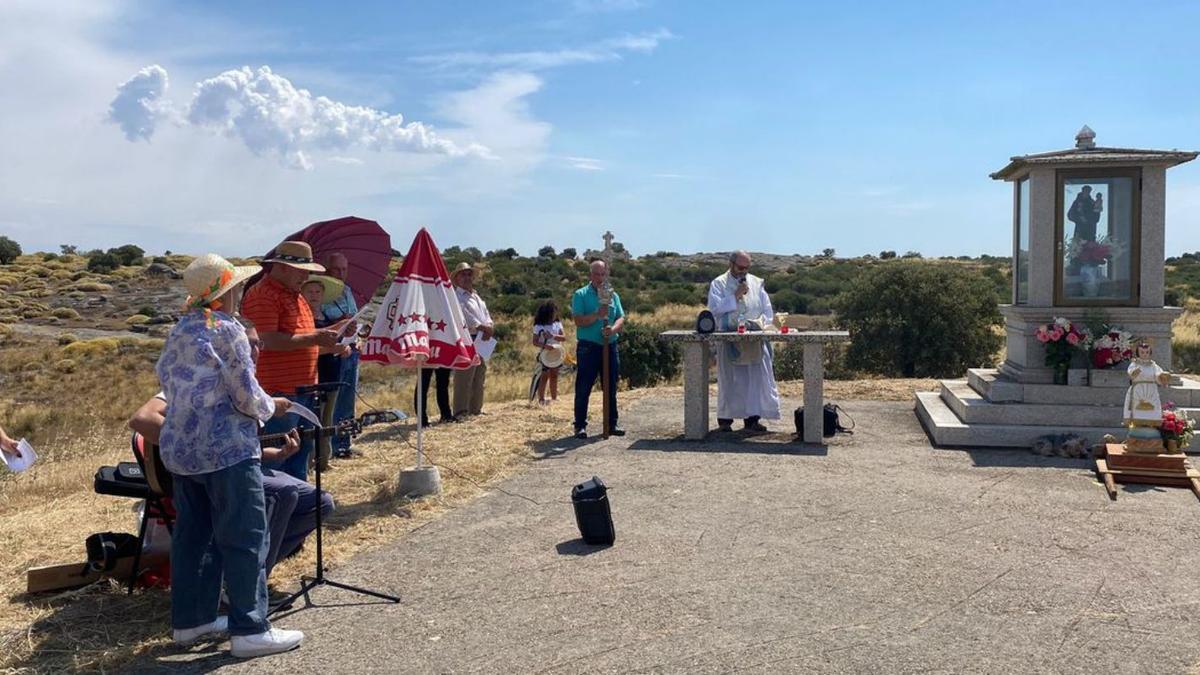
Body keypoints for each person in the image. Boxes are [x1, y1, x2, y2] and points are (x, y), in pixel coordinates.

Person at [155, 253, 303, 658]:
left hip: (182, 450)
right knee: (245, 535)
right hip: (226, 451)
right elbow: (244, 394)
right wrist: (272, 406)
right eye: (238, 286)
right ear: (228, 290)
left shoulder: (181, 330)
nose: (242, 291)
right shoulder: (228, 330)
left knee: (193, 538)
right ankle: (250, 628)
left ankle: (191, 620)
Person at [130, 325, 335, 587]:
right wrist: (204, 448)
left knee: (320, 502)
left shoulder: (248, 389)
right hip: (208, 476)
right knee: (282, 493)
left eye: (258, 344)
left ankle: (244, 570)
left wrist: (278, 453)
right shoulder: (199, 383)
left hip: (242, 469)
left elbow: (243, 448)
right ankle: (246, 586)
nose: (253, 350)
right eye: (246, 343)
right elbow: (142, 419)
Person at [241, 241, 347, 481]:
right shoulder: (263, 295)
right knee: (277, 458)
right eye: (302, 270)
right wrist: (316, 337)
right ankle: (278, 513)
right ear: (283, 267)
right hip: (278, 391)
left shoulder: (296, 296)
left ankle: (297, 511)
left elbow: (302, 342)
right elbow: (267, 341)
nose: (306, 276)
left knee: (299, 456)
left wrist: (333, 339)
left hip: (303, 390)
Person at [707, 251, 781, 433]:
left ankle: (752, 419)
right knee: (730, 381)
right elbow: (714, 309)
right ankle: (725, 421)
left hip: (753, 340)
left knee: (753, 380)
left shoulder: (756, 282)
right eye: (740, 268)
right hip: (729, 339)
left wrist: (758, 324)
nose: (744, 272)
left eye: (747, 268)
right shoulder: (719, 283)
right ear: (731, 264)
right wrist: (735, 297)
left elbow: (767, 310)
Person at [571, 259, 625, 439]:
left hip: (609, 345)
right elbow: (578, 320)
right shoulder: (581, 294)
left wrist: (613, 329)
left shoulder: (612, 294)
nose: (600, 278)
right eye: (597, 274)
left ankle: (612, 423)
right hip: (589, 347)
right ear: (590, 275)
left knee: (610, 385)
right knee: (584, 387)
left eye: (603, 274)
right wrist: (597, 315)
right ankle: (580, 425)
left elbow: (620, 317)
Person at [316, 253, 361, 459]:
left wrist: (356, 333)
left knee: (348, 399)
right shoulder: (320, 292)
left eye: (344, 269)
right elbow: (321, 321)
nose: (342, 273)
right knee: (332, 403)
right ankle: (331, 446)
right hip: (331, 354)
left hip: (351, 349)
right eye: (337, 269)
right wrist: (341, 322)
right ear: (326, 269)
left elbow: (353, 315)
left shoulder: (348, 290)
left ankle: (344, 443)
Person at [452, 262, 494, 418]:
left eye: (469, 274)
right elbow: (464, 316)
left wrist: (489, 326)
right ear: (456, 278)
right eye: (463, 274)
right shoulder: (456, 296)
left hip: (481, 338)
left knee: (479, 374)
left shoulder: (476, 296)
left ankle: (475, 409)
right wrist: (483, 327)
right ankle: (460, 411)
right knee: (464, 376)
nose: (467, 277)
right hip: (467, 338)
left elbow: (486, 314)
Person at [532, 300, 566, 405]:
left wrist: (553, 336)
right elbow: (535, 341)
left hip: (556, 352)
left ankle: (554, 397)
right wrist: (545, 346)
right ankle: (541, 398)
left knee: (554, 375)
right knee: (544, 375)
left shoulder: (557, 324)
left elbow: (563, 337)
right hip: (545, 353)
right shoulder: (538, 326)